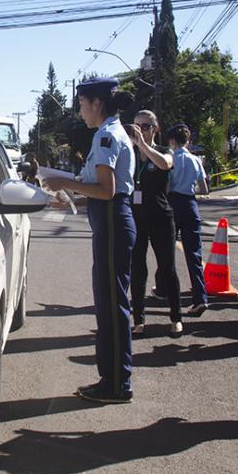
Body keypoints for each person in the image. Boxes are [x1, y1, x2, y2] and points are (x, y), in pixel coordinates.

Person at [44, 78, 136, 404]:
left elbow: (108, 191)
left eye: (82, 104)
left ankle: (116, 384)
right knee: (110, 304)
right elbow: (101, 191)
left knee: (112, 307)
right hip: (110, 220)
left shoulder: (107, 135)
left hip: (113, 222)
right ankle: (112, 380)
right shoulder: (109, 132)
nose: (80, 111)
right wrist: (71, 198)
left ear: (96, 103)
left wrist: (61, 180)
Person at [127, 110, 183, 337]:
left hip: (161, 216)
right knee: (137, 269)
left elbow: (164, 164)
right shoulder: (128, 154)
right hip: (136, 218)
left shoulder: (162, 150)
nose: (142, 130)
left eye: (147, 126)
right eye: (137, 126)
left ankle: (176, 317)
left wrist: (143, 145)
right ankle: (139, 319)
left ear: (156, 129)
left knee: (167, 267)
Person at [166, 124, 209, 316]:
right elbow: (204, 189)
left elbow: (167, 186)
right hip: (191, 205)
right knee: (194, 253)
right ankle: (200, 298)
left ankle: (165, 288)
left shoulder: (170, 159)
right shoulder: (195, 160)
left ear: (173, 141)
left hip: (173, 203)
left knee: (167, 250)